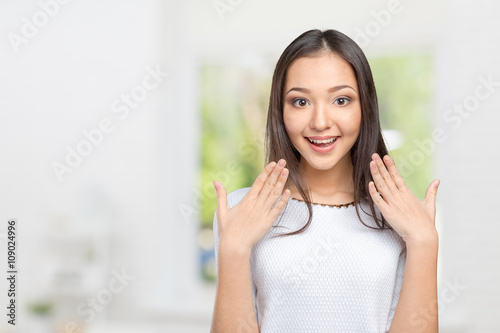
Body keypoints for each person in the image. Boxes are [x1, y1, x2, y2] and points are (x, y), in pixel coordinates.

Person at [210, 29, 440, 333]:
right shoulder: (241, 210)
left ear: (365, 108)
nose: (320, 122)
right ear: (280, 111)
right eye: (300, 102)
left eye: (341, 100)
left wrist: (424, 242)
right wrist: (233, 250)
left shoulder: (405, 218)